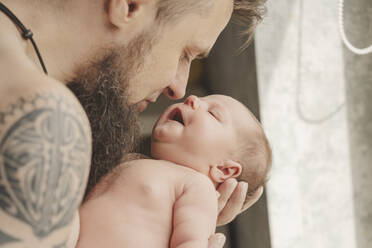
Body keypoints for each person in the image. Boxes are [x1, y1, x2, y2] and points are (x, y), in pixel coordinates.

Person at [0, 0, 266, 247]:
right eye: (185, 52)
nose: (178, 89)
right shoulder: (42, 119)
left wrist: (160, 218)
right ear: (130, 6)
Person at [76, 95, 271, 248]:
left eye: (213, 113)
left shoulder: (197, 188)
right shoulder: (131, 160)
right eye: (200, 100)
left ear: (224, 169)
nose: (191, 99)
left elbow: (191, 243)